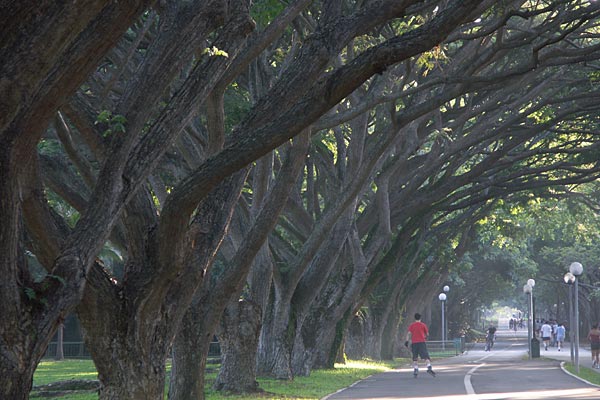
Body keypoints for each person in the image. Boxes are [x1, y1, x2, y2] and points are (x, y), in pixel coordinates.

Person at [405, 313, 436, 378]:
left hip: (414, 343)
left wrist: (407, 341)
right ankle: (429, 367)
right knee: (426, 356)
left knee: (415, 357)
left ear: (414, 318)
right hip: (422, 342)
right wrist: (425, 337)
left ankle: (416, 369)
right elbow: (427, 334)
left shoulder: (412, 325)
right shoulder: (423, 325)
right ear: (420, 318)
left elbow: (408, 333)